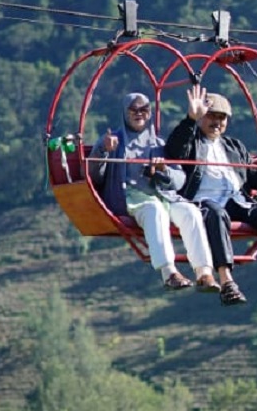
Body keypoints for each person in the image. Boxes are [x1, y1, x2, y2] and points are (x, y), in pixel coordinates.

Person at [164, 85, 257, 311]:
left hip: (237, 200)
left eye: (222, 118)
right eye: (211, 116)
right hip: (204, 202)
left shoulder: (234, 146)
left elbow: (254, 180)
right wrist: (189, 119)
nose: (217, 122)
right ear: (201, 117)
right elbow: (175, 151)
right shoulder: (191, 141)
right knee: (217, 214)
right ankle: (226, 281)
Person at [89, 92, 221, 293]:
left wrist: (163, 171)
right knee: (154, 210)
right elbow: (94, 177)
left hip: (163, 195)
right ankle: (169, 272)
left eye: (144, 109)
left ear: (150, 113)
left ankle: (204, 272)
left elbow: (179, 180)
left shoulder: (158, 145)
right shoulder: (113, 141)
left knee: (191, 212)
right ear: (125, 113)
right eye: (133, 110)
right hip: (131, 197)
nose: (139, 114)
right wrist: (104, 152)